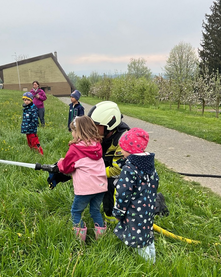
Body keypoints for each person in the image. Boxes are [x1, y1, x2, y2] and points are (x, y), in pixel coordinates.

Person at [112, 127, 159, 263]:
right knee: (147, 234)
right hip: (148, 208)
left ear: (131, 150)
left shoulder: (130, 169)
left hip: (134, 210)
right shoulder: (149, 165)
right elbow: (155, 182)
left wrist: (119, 211)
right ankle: (153, 260)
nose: (120, 151)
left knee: (138, 239)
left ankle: (146, 266)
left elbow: (123, 192)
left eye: (123, 148)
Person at [57, 116, 107, 242]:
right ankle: (101, 238)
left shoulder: (75, 148)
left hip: (85, 189)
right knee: (95, 210)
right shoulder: (97, 144)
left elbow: (66, 168)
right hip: (100, 187)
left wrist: (60, 163)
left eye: (72, 130)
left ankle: (79, 241)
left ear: (78, 132)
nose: (72, 133)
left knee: (76, 211)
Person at [88, 101, 130, 223]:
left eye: (96, 126)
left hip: (124, 173)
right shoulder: (102, 135)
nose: (92, 130)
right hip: (106, 168)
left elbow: (118, 169)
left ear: (110, 125)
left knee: (109, 184)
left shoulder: (122, 139)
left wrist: (96, 173)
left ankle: (112, 218)